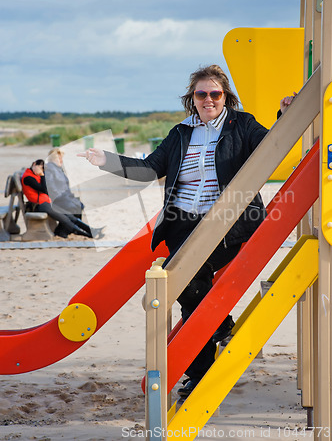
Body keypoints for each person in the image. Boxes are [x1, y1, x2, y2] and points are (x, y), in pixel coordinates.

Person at [78, 64, 295, 398]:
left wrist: (284, 116)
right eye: (201, 94)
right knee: (188, 289)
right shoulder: (180, 133)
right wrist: (106, 160)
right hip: (181, 224)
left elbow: (271, 150)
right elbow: (150, 169)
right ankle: (216, 332)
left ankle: (201, 368)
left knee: (187, 282)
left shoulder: (243, 125)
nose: (208, 99)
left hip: (226, 222)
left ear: (226, 97)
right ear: (192, 98)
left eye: (215, 93)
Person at [21, 159, 93, 239]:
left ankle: (91, 231)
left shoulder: (35, 175)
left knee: (70, 216)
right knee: (65, 219)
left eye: (42, 169)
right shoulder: (28, 177)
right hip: (39, 205)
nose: (41, 171)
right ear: (34, 164)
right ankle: (87, 235)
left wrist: (42, 175)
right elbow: (44, 189)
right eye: (40, 168)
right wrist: (42, 175)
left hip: (47, 203)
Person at [45, 148, 84, 217]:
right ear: (53, 159)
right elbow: (50, 186)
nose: (62, 161)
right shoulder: (49, 168)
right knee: (75, 207)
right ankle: (74, 227)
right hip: (58, 199)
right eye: (59, 158)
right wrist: (61, 197)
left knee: (79, 205)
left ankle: (76, 227)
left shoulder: (58, 168)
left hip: (64, 197)